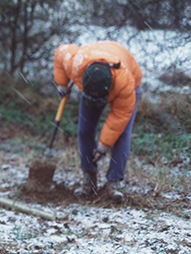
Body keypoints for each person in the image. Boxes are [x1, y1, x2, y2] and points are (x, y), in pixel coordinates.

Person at [53, 41, 142, 201]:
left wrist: (103, 145)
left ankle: (113, 183)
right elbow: (60, 52)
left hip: (128, 80)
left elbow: (120, 117)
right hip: (92, 71)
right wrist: (62, 84)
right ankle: (89, 178)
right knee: (84, 130)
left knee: (121, 133)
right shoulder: (75, 63)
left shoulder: (125, 83)